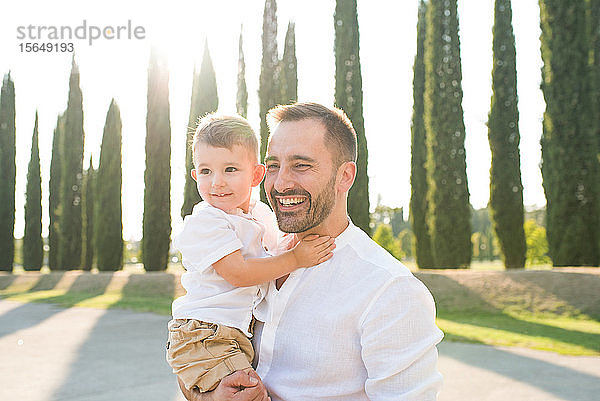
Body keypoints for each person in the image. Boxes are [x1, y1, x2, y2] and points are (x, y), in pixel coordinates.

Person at [181, 103, 443, 401]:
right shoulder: (259, 250)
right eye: (274, 165)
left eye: (301, 165)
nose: (280, 183)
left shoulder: (390, 291)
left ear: (345, 176)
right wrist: (210, 396)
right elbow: (193, 360)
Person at [169, 114, 336, 399]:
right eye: (206, 171)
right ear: (195, 175)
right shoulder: (207, 221)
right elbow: (239, 272)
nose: (217, 182)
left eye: (230, 169)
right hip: (205, 332)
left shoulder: (260, 214)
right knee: (248, 395)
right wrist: (297, 258)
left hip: (233, 333)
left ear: (256, 175)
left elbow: (277, 247)